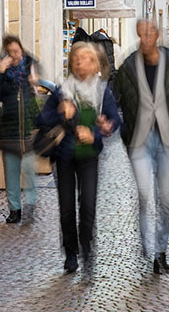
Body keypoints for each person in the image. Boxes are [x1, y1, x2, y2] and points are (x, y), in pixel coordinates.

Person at [116, 20, 169, 274]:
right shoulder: (128, 66)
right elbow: (114, 99)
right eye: (143, 32)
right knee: (143, 193)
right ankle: (147, 243)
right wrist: (116, 125)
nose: (147, 36)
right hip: (139, 139)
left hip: (167, 139)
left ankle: (159, 252)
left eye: (152, 32)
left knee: (163, 197)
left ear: (158, 35)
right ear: (138, 33)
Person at [37, 42, 121, 273]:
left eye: (86, 59)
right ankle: (71, 253)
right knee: (66, 208)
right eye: (77, 59)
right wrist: (59, 112)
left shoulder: (102, 91)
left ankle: (87, 248)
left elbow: (115, 120)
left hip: (89, 158)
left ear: (95, 64)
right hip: (63, 157)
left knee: (88, 205)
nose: (80, 63)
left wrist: (96, 132)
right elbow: (42, 120)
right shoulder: (63, 90)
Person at [0, 35, 40, 224]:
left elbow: (39, 93)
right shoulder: (0, 67)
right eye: (10, 53)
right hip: (9, 128)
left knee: (28, 170)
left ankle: (30, 206)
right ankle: (14, 209)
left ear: (22, 49)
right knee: (11, 172)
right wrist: (1, 73)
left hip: (28, 126)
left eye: (17, 51)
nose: (14, 56)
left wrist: (36, 83)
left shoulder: (31, 66)